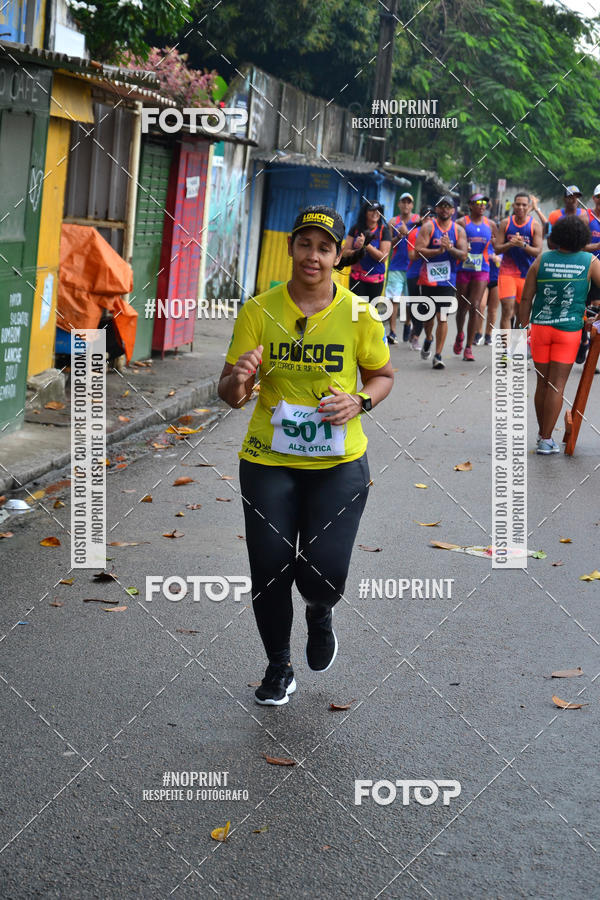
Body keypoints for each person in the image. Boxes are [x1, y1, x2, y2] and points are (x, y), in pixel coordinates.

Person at [219, 205, 394, 705]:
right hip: (268, 459)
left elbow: (383, 377)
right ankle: (278, 666)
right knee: (269, 568)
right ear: (291, 248)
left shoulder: (359, 314)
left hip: (339, 464)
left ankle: (320, 611)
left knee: (322, 572)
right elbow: (229, 392)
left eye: (324, 247)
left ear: (339, 256)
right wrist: (242, 376)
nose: (312, 256)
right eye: (304, 244)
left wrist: (359, 400)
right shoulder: (259, 310)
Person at [519, 215, 600, 453]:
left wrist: (521, 329)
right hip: (569, 331)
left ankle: (542, 436)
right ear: (582, 237)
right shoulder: (590, 261)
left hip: (541, 328)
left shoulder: (542, 260)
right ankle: (546, 440)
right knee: (557, 386)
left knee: (542, 384)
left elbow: (526, 298)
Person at [415, 195, 468, 368]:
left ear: (453, 210)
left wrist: (450, 248)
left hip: (447, 280)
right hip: (428, 279)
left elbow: (463, 255)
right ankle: (428, 338)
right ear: (437, 209)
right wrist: (438, 251)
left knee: (442, 317)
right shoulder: (428, 227)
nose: (445, 209)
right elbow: (418, 251)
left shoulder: (458, 230)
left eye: (448, 206)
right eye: (442, 206)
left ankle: (438, 355)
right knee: (428, 317)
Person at [454, 193, 498, 360]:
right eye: (478, 202)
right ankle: (459, 333)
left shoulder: (491, 224)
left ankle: (468, 347)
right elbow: (454, 242)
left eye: (484, 203)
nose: (482, 205)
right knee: (462, 306)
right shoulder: (461, 223)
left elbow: (496, 245)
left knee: (476, 305)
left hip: (482, 268)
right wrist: (462, 248)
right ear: (470, 205)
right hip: (463, 267)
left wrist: (496, 254)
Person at [494, 193, 543, 329]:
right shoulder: (506, 223)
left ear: (529, 207)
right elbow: (497, 249)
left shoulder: (535, 225)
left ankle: (516, 348)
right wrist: (511, 244)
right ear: (513, 205)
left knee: (522, 314)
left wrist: (523, 245)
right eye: (518, 204)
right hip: (507, 272)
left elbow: (538, 251)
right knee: (507, 310)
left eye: (524, 205)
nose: (520, 207)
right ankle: (504, 350)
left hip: (526, 274)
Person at [344, 199, 391, 310]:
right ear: (365, 212)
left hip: (375, 280)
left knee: (371, 314)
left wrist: (366, 245)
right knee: (356, 314)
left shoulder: (384, 231)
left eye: (378, 210)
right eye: (372, 210)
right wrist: (358, 251)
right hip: (357, 278)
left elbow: (383, 258)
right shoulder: (355, 229)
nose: (375, 213)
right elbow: (345, 252)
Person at [387, 192, 420, 343]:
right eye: (403, 202)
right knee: (394, 299)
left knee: (409, 300)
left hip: (413, 266)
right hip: (396, 265)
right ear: (399, 204)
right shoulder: (393, 222)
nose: (406, 205)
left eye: (409, 202)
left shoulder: (417, 220)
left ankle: (408, 323)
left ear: (412, 205)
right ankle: (392, 331)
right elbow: (388, 245)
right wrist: (399, 236)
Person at [578, 184, 600, 366]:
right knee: (581, 310)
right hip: (585, 268)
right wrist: (597, 247)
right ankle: (583, 340)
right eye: (599, 196)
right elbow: (579, 246)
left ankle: (594, 355)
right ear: (594, 198)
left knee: (596, 310)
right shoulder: (586, 217)